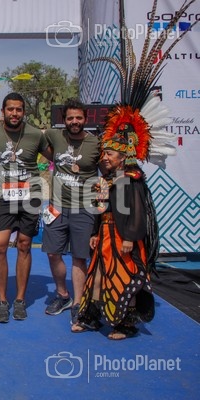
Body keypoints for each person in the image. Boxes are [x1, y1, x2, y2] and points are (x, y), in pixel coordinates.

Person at [72, 106, 158, 339]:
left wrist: (130, 237)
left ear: (122, 157)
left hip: (123, 238)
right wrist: (94, 232)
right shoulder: (106, 180)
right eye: (105, 153)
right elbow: (99, 210)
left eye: (110, 154)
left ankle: (125, 325)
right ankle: (90, 318)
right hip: (105, 236)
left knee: (125, 278)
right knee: (97, 277)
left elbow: (138, 212)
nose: (105, 157)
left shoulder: (132, 180)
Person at [0, 92, 50, 322]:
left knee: (24, 245)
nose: (14, 113)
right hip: (3, 198)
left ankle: (20, 300)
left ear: (24, 112)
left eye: (18, 109)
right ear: (2, 112)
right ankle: (2, 300)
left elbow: (57, 156)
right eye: (10, 109)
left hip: (30, 197)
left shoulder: (35, 134)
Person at [41, 99, 100, 322]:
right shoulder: (55, 136)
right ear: (63, 120)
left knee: (79, 257)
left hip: (84, 208)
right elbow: (28, 134)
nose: (74, 122)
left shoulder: (95, 143)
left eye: (78, 118)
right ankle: (63, 295)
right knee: (53, 253)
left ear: (85, 118)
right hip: (56, 207)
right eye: (70, 118)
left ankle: (78, 303)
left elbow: (109, 168)